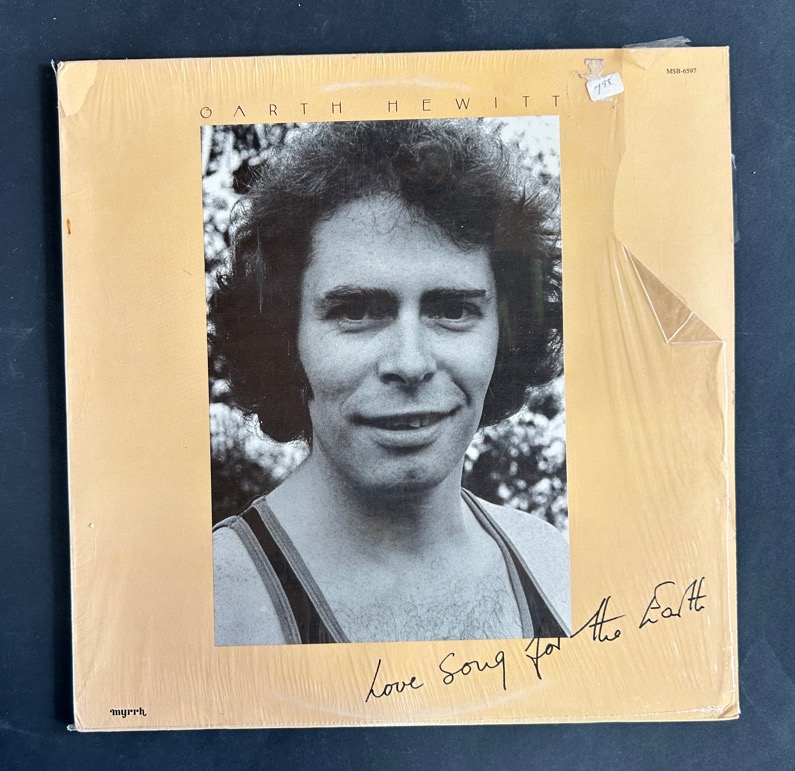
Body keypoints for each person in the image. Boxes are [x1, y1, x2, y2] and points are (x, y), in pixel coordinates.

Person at [210, 119, 571, 645]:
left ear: (507, 332)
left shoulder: (551, 565)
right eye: (356, 311)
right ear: (285, 338)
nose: (410, 362)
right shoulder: (219, 606)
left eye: (453, 310)